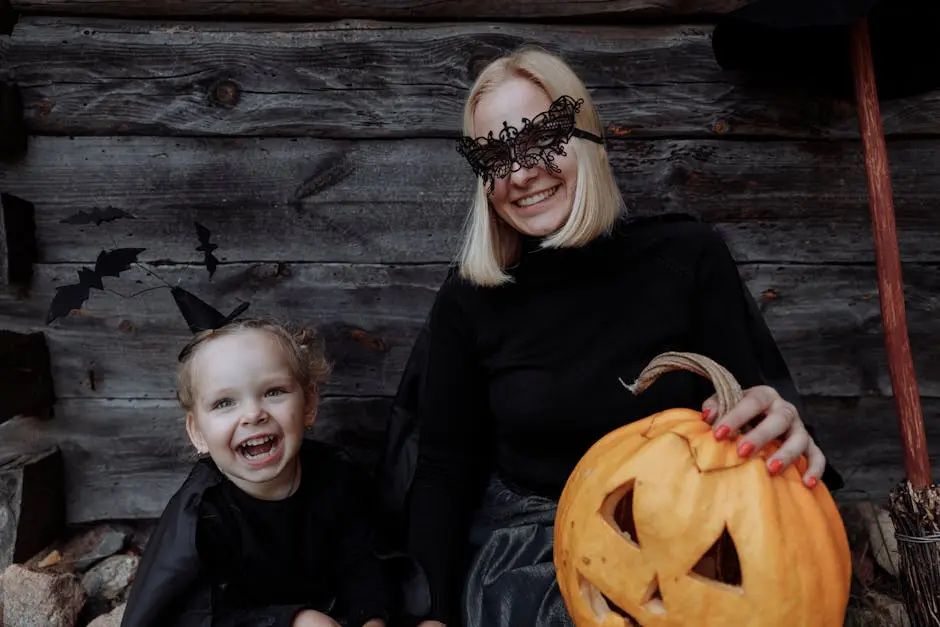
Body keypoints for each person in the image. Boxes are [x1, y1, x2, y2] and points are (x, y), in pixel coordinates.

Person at [398, 46, 844, 627]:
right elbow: (442, 470)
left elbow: (755, 403)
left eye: (539, 138)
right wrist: (428, 612)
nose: (520, 172)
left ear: (585, 134)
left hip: (691, 533)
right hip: (535, 552)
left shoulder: (687, 257)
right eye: (495, 155)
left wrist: (778, 419)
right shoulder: (472, 300)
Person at [120, 317, 390, 627]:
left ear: (309, 404)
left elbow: (362, 568)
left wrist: (371, 618)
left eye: (273, 392)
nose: (252, 414)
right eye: (224, 403)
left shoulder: (335, 477)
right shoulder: (203, 515)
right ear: (197, 433)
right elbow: (191, 616)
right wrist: (291, 620)